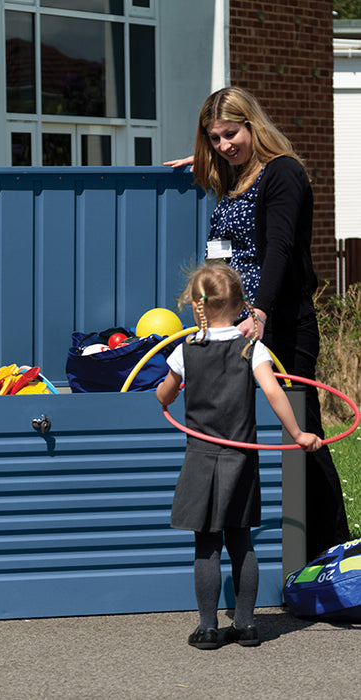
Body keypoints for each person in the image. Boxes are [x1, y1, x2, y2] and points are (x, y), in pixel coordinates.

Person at [165, 86, 349, 560]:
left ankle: (336, 551)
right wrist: (208, 158)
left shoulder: (282, 174)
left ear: (253, 125)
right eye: (215, 138)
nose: (225, 145)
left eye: (232, 133)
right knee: (229, 429)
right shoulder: (233, 176)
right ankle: (274, 546)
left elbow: (280, 247)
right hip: (232, 329)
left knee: (301, 432)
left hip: (279, 322)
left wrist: (261, 310)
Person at [156, 262, 322, 650]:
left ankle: (208, 628)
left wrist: (166, 395)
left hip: (200, 458)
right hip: (240, 459)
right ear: (240, 304)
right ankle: (246, 625)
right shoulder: (253, 347)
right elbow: (275, 392)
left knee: (206, 545)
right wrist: (297, 433)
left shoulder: (187, 350)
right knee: (241, 541)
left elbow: (165, 393)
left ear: (194, 304)